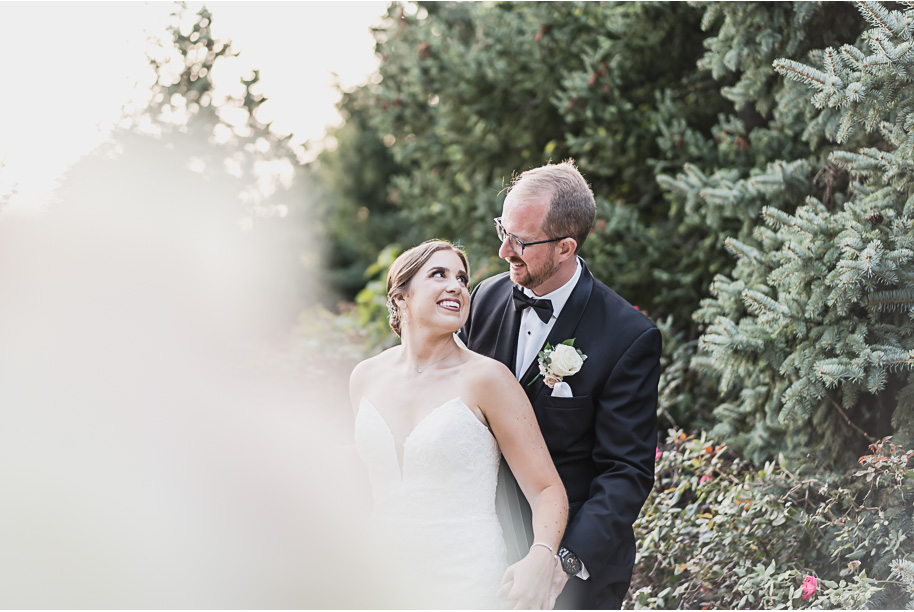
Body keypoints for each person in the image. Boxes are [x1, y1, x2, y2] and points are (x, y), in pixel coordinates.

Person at [459, 160, 662, 609]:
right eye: (502, 230)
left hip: (571, 579)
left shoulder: (629, 338)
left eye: (521, 241)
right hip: (476, 553)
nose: (504, 250)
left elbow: (625, 473)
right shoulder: (484, 300)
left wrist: (559, 565)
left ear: (566, 247)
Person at [350, 240, 569, 609]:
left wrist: (541, 555)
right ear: (401, 296)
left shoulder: (487, 379)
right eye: (439, 274)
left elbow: (547, 488)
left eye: (462, 279)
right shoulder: (364, 378)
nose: (456, 286)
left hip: (466, 577)